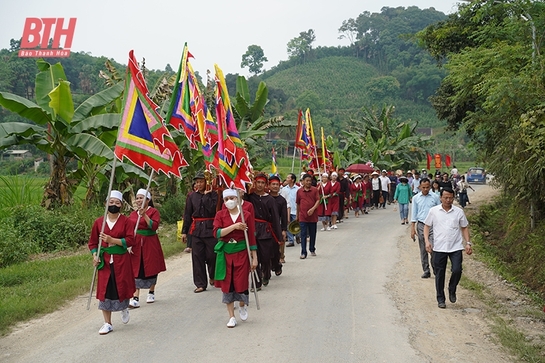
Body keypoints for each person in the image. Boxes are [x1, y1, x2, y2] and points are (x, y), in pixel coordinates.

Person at [88, 190, 135, 335]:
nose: (114, 205)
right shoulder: (99, 223)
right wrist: (95, 255)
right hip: (105, 262)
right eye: (111, 202)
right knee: (105, 290)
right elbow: (93, 243)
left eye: (117, 203)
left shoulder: (127, 221)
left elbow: (130, 240)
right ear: (106, 203)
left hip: (121, 261)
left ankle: (123, 307)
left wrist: (112, 240)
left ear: (121, 205)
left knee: (121, 286)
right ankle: (107, 323)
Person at [213, 189, 258, 328]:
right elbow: (217, 233)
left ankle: (242, 305)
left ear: (238, 198)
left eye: (232, 198)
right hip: (226, 253)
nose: (229, 201)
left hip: (241, 253)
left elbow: (251, 237)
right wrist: (234, 227)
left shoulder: (246, 215)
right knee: (228, 284)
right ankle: (231, 316)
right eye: (226, 199)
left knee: (241, 281)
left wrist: (254, 257)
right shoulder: (220, 215)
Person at [424, 188, 473, 308]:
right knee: (439, 273)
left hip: (455, 246)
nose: (448, 200)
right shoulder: (434, 211)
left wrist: (468, 243)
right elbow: (427, 226)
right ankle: (440, 299)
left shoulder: (458, 212)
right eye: (445, 197)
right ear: (440, 197)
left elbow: (464, 227)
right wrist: (427, 241)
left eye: (450, 197)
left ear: (453, 197)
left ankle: (452, 288)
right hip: (439, 247)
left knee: (457, 270)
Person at [182, 171, 219, 293]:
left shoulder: (214, 195)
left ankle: (213, 275)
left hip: (210, 228)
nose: (198, 184)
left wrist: (207, 195)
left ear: (206, 182)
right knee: (197, 257)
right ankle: (200, 283)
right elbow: (187, 214)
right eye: (197, 182)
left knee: (212, 255)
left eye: (201, 181)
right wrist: (184, 232)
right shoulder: (191, 196)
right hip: (196, 229)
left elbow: (212, 209)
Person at [128, 189, 166, 308]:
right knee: (136, 269)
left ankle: (151, 291)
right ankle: (135, 297)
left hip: (150, 242)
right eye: (137, 198)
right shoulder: (133, 214)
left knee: (151, 267)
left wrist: (144, 215)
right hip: (136, 243)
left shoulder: (154, 212)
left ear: (148, 200)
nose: (139, 200)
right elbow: (129, 229)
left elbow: (153, 226)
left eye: (141, 198)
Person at [245, 173, 282, 287]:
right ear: (254, 183)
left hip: (266, 230)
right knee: (254, 256)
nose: (260, 185)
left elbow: (275, 218)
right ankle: (256, 283)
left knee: (266, 256)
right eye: (258, 182)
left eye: (262, 183)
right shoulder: (249, 197)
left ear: (266, 185)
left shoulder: (270, 199)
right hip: (252, 228)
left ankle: (266, 275)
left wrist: (279, 236)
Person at [410, 178, 440, 279]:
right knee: (423, 248)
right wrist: (412, 228)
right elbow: (414, 214)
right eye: (423, 187)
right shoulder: (416, 198)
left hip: (433, 225)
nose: (425, 189)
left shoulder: (435, 197)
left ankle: (435, 269)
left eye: (427, 187)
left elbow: (439, 212)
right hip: (421, 225)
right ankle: (426, 270)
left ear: (430, 187)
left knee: (433, 248)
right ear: (419, 187)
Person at [296, 173, 321, 259]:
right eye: (307, 181)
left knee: (312, 234)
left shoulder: (315, 190)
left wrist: (313, 209)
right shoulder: (299, 191)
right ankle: (303, 252)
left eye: (310, 181)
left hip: (313, 216)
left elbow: (318, 200)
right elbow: (298, 204)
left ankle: (312, 248)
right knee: (303, 234)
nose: (308, 182)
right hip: (303, 216)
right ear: (303, 181)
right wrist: (297, 215)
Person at [269, 175, 288, 264]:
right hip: (267, 226)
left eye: (277, 184)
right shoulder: (266, 198)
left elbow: (284, 216)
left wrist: (284, 229)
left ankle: (281, 256)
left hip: (278, 225)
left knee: (279, 242)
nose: (275, 186)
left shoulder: (282, 200)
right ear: (269, 185)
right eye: (273, 184)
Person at [281, 173, 300, 247]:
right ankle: (291, 240)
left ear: (293, 180)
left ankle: (298, 235)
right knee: (288, 225)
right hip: (287, 210)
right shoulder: (284, 189)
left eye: (288, 178)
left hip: (295, 209)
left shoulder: (298, 189)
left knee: (297, 224)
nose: (286, 179)